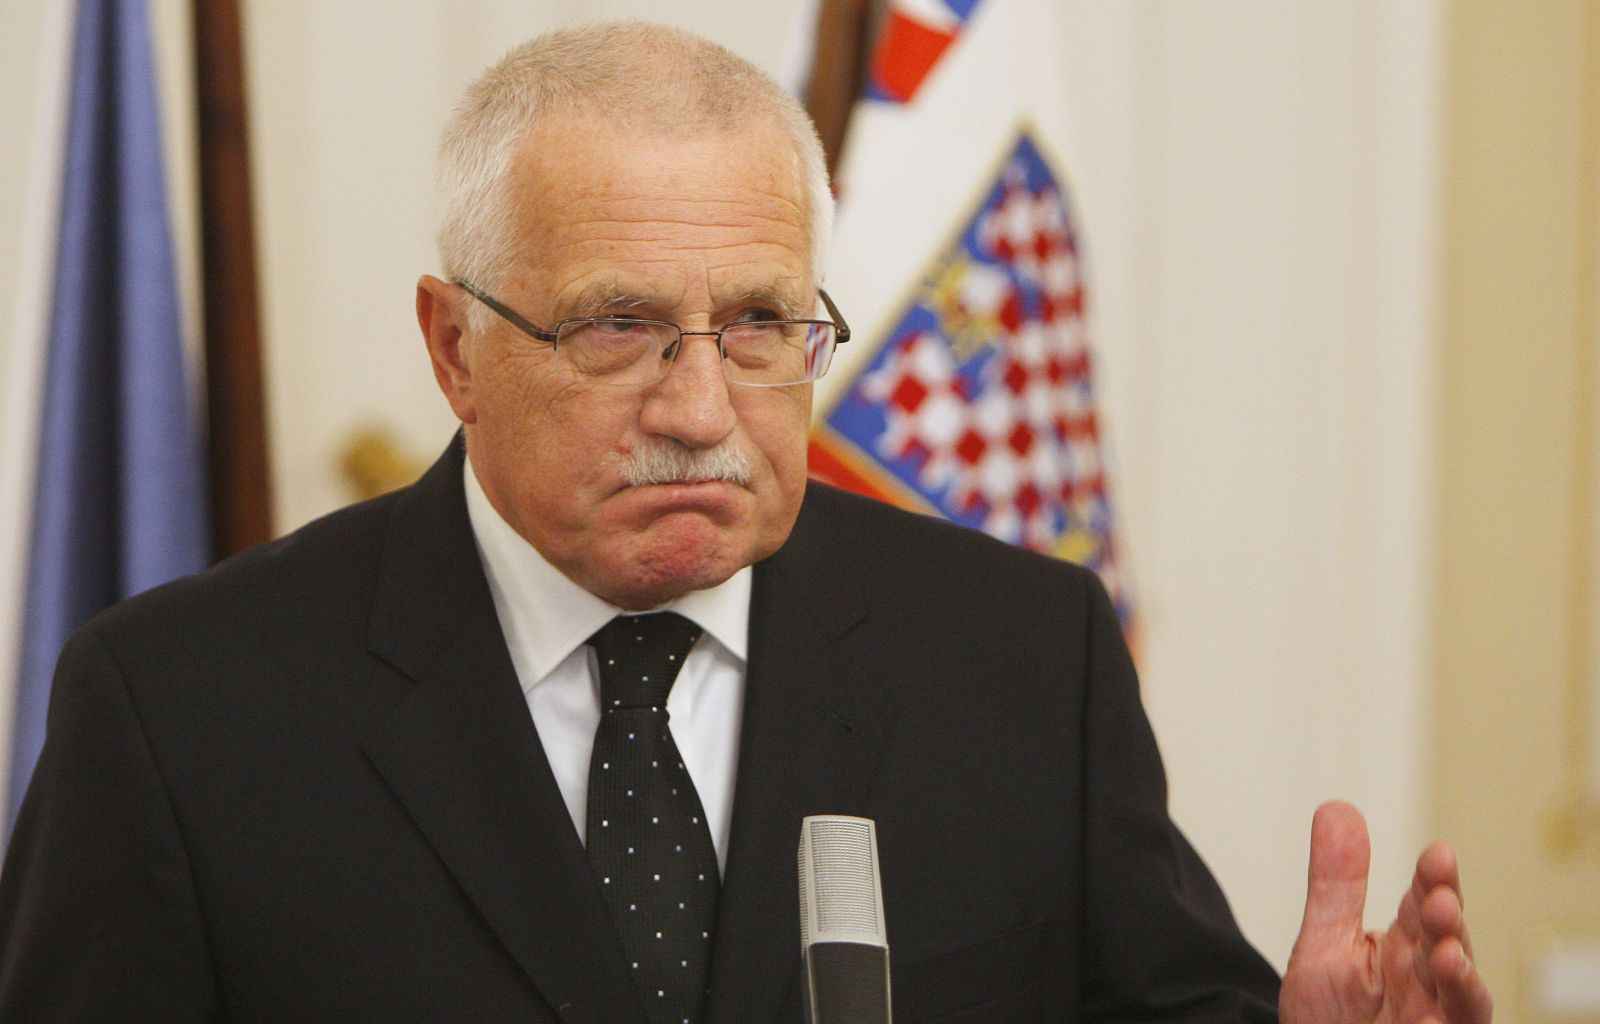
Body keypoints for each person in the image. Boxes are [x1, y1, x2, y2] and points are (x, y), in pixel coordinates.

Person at [0, 21, 1490, 1024]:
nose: (703, 409)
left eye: (766, 324)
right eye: (620, 327)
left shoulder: (1022, 656)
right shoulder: (180, 706)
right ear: (454, 347)